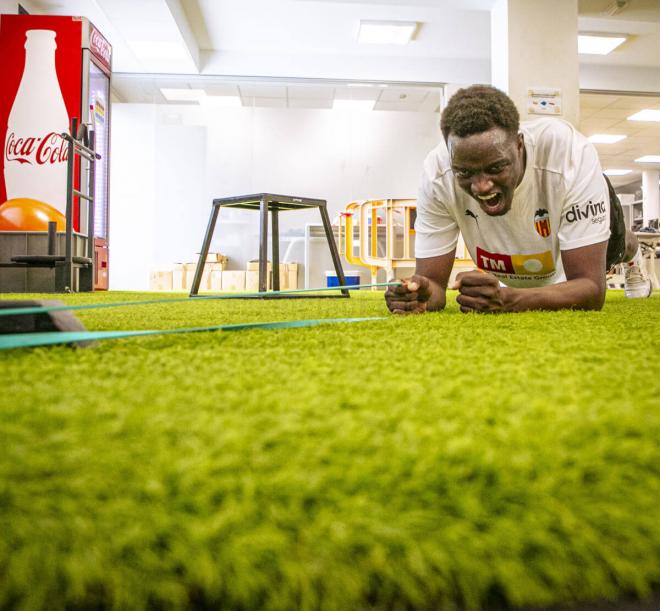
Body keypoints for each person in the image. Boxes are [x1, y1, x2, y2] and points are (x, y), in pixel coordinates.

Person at [385, 84, 652, 315]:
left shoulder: (570, 155)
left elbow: (591, 290)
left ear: (519, 146)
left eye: (495, 168)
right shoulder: (437, 175)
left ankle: (633, 255)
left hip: (574, 203)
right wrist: (419, 294)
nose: (481, 186)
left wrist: (510, 300)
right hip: (526, 252)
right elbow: (433, 286)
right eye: (465, 172)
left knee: (617, 248)